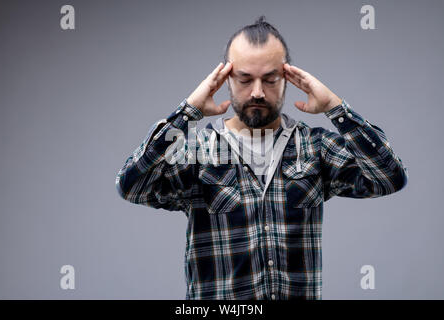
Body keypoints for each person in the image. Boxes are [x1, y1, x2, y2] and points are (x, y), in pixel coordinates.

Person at [115, 16, 408, 300]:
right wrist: (188, 113)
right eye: (244, 79)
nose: (257, 92)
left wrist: (336, 108)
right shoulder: (197, 150)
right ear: (225, 79)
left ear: (288, 79)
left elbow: (389, 178)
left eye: (270, 80)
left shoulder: (314, 146)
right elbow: (132, 186)